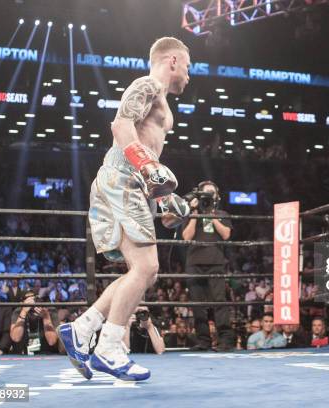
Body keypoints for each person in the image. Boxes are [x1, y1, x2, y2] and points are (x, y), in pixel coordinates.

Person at [57, 37, 191, 381]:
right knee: (147, 266)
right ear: (173, 60)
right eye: (188, 67)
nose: (189, 76)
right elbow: (120, 126)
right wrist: (147, 167)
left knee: (145, 271)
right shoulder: (147, 85)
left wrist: (161, 197)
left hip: (131, 182)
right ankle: (109, 348)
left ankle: (83, 328)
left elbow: (147, 149)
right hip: (123, 177)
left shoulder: (160, 99)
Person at [181, 181, 234, 351]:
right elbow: (187, 237)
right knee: (198, 305)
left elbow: (226, 235)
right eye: (206, 194)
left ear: (217, 196)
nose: (209, 197)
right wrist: (195, 213)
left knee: (220, 302)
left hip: (216, 262)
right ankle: (203, 341)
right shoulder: (191, 214)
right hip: (194, 263)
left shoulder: (221, 213)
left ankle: (225, 341)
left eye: (211, 194)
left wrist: (211, 214)